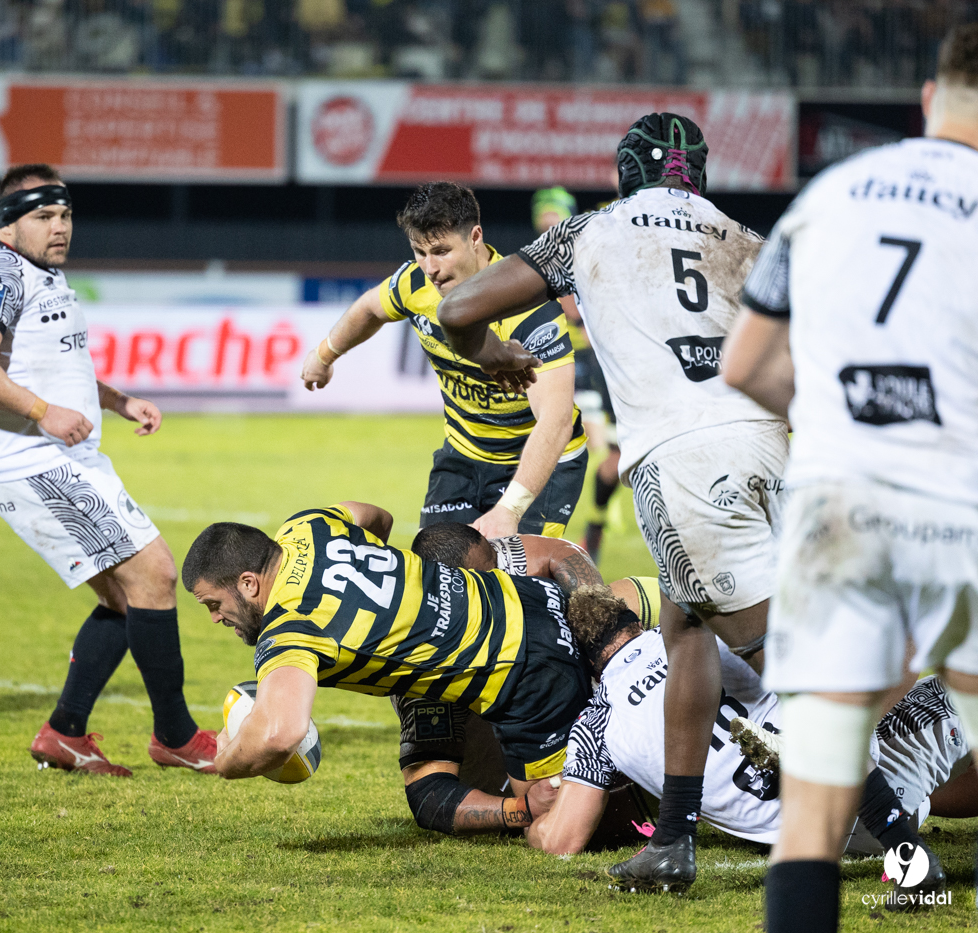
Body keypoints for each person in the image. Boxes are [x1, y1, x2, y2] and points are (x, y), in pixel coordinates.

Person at [436, 112, 788, 892]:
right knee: (686, 622)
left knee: (788, 662)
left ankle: (903, 841)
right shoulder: (748, 236)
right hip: (778, 444)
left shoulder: (587, 230)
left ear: (627, 170)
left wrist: (495, 353)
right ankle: (673, 838)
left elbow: (458, 309)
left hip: (685, 459)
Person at [721, 25, 978, 931]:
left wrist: (837, 410)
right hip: (957, 508)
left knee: (818, 801)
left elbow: (746, 363)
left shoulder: (829, 194)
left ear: (926, 98)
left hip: (835, 513)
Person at [0, 164, 214, 777]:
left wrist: (117, 401)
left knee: (126, 600)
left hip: (67, 457)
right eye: (43, 216)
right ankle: (176, 734)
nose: (59, 227)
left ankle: (64, 734)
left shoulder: (44, 275)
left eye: (64, 215)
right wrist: (41, 412)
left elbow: (48, 364)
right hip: (33, 461)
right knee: (155, 573)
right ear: (8, 226)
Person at [530, 586, 968, 897]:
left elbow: (560, 839)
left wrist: (524, 817)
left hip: (824, 836)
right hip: (864, 778)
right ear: (635, 622)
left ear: (585, 664)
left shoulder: (595, 723)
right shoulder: (697, 635)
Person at [181, 502, 594, 825]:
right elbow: (376, 516)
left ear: (249, 584)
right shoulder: (307, 526)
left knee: (556, 825)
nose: (216, 618)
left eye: (214, 604)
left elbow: (278, 734)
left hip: (524, 676)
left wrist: (225, 761)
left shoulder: (290, 629)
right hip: (527, 597)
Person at [299, 182, 586, 539]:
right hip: (463, 456)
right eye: (420, 252)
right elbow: (370, 308)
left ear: (475, 236)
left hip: (537, 462)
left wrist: (509, 509)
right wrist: (324, 355)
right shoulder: (416, 284)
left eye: (441, 251)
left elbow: (556, 422)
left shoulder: (530, 306)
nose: (430, 268)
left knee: (522, 584)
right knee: (437, 578)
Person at [391, 521, 609, 835]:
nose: (504, 583)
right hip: (508, 770)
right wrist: (522, 810)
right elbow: (430, 797)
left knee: (624, 595)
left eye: (498, 570)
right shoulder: (425, 671)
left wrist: (601, 632)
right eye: (488, 580)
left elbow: (561, 552)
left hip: (555, 691)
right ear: (454, 592)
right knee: (559, 829)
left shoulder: (487, 560)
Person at [532, 188, 622, 566]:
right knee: (582, 444)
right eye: (544, 217)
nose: (548, 223)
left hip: (595, 358)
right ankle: (588, 524)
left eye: (555, 217)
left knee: (610, 450)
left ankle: (595, 520)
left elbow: (575, 311)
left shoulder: (577, 252)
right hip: (564, 361)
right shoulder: (548, 255)